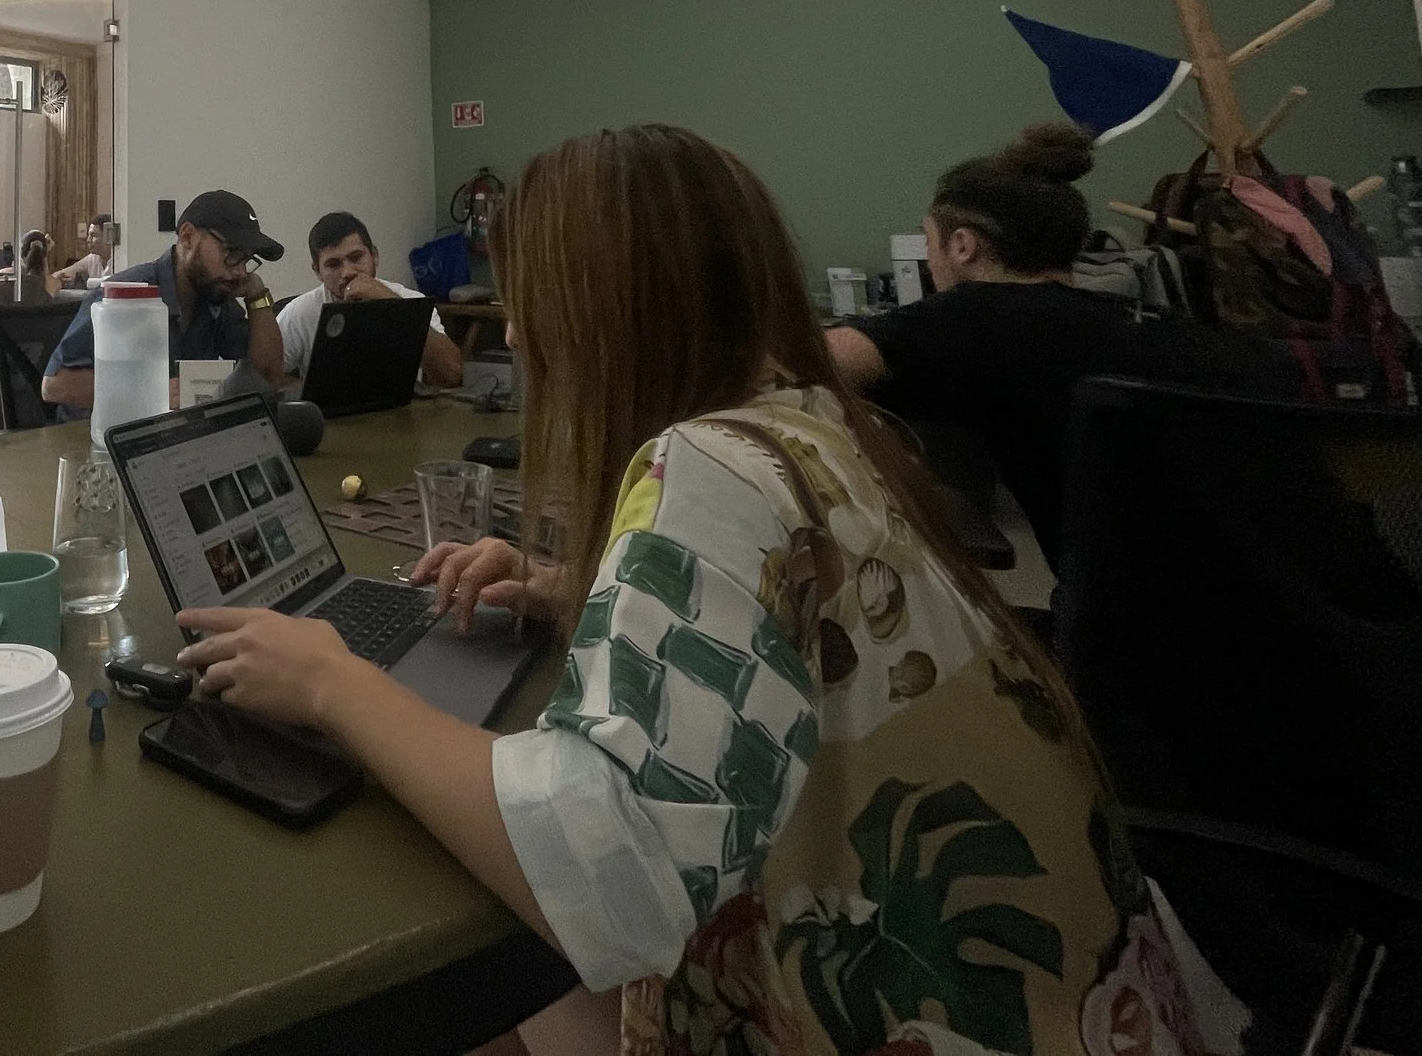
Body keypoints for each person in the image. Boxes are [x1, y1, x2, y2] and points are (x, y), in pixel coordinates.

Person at [173, 126, 1229, 1051]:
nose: (527, 335)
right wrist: (573, 586)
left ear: (602, 305)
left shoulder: (706, 468)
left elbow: (609, 883)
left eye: (537, 299)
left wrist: (330, 684)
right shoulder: (809, 421)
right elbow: (791, 640)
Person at [826, 120, 1292, 561]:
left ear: (963, 245)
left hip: (1143, 634)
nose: (930, 260)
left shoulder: (976, 315)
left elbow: (795, 359)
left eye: (930, 242)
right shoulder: (1158, 323)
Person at [41, 191, 285, 412]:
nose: (241, 272)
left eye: (246, 259)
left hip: (164, 438)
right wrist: (152, 393)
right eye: (231, 254)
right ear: (188, 237)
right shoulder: (126, 296)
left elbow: (266, 379)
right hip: (89, 441)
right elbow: (55, 384)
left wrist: (257, 298)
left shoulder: (216, 296)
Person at [276, 211, 463, 390]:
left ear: (374, 256)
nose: (347, 272)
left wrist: (393, 304)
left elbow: (451, 376)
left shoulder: (411, 300)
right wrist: (311, 389)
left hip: (399, 415)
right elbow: (265, 377)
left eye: (356, 258)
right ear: (317, 271)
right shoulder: (299, 312)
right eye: (333, 264)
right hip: (332, 419)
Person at [54, 214, 115, 289]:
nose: (88, 240)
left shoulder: (120, 260)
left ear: (107, 236)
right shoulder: (92, 258)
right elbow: (60, 274)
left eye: (93, 235)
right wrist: (58, 278)